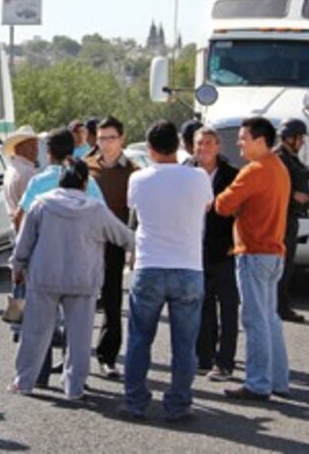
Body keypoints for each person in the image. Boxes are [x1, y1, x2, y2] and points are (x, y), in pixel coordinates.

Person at [10, 161, 134, 399]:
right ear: (85, 183)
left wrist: (17, 266)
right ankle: (74, 388)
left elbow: (23, 243)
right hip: (83, 280)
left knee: (35, 333)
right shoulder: (96, 208)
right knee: (79, 337)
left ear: (60, 182)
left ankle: (24, 381)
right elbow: (123, 236)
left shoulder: (41, 204)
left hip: (44, 277)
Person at [122, 121, 213, 422]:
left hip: (149, 265)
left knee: (139, 339)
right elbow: (206, 207)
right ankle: (178, 404)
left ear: (149, 149)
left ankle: (135, 402)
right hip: (188, 266)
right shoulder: (199, 177)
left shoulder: (138, 178)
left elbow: (133, 209)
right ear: (178, 146)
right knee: (185, 343)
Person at [215, 116, 291, 401]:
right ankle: (278, 380)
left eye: (244, 138)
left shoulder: (254, 171)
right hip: (273, 253)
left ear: (261, 141)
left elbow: (223, 205)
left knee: (255, 320)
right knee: (269, 319)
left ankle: (258, 383)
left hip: (254, 252)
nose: (239, 143)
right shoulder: (278, 167)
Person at [85, 116, 138, 379]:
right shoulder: (85, 167)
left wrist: (134, 248)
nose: (105, 144)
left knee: (113, 302)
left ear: (122, 138)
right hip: (86, 244)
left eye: (111, 138)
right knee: (79, 301)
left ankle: (108, 357)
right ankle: (74, 354)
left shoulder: (133, 171)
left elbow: (137, 213)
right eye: (101, 137)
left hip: (115, 244)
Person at [189, 127, 240, 380]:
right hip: (194, 250)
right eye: (199, 143)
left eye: (208, 143)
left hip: (225, 251)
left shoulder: (233, 175)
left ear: (218, 146)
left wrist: (236, 242)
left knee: (228, 308)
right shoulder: (186, 173)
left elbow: (242, 212)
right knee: (202, 305)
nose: (203, 148)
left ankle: (226, 362)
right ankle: (203, 357)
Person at [275, 119, 309, 324]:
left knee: (287, 264)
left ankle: (281, 305)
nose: (303, 142)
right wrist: (292, 197)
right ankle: (279, 306)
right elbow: (275, 186)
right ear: (291, 138)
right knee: (283, 264)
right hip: (284, 217)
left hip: (292, 217)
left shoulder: (291, 157)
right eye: (301, 138)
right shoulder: (279, 158)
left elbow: (302, 175)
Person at [2, 125, 39, 218]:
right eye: (31, 146)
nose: (35, 149)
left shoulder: (11, 168)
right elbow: (31, 206)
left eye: (36, 145)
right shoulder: (26, 171)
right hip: (27, 223)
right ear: (19, 148)